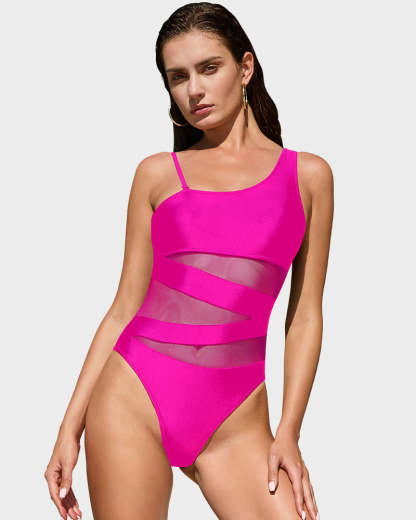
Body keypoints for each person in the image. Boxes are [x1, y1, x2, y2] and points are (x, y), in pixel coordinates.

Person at [44, 3, 333, 519]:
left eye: (209, 68)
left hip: (237, 419)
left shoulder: (308, 177)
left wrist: (289, 431)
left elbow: (305, 314)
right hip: (132, 398)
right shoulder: (158, 175)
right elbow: (123, 308)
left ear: (245, 68)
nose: (194, 89)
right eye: (177, 77)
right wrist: (70, 428)